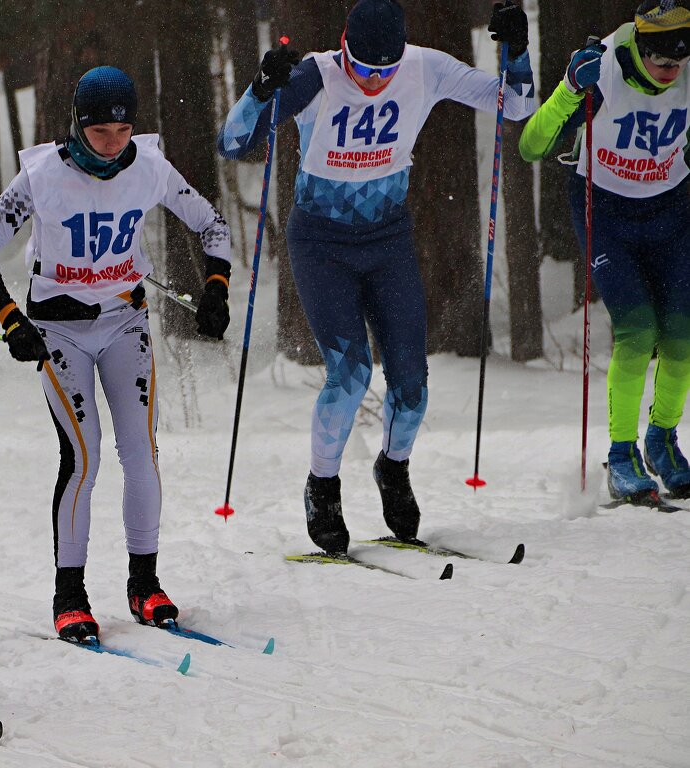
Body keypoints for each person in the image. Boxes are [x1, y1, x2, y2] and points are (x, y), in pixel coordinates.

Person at [217, 0, 537, 556]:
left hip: (387, 240)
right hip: (321, 243)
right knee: (351, 373)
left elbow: (515, 106)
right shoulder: (317, 73)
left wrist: (518, 53)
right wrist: (260, 89)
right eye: (362, 69)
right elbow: (233, 142)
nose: (372, 81)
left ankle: (393, 470)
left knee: (411, 385)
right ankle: (323, 487)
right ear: (345, 47)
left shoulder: (425, 67)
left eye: (383, 73)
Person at [0, 66, 232, 644]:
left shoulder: (150, 167)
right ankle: (70, 593)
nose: (113, 143)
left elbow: (212, 225)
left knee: (141, 450)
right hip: (58, 332)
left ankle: (144, 582)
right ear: (78, 126)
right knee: (84, 458)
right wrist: (11, 321)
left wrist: (217, 288)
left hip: (125, 324)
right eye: (101, 131)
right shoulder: (42, 176)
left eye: (124, 129)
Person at [519, 1, 690, 503]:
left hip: (672, 211)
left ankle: (662, 440)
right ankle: (621, 456)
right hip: (607, 212)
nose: (671, 74)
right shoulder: (603, 71)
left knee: (681, 337)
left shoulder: (684, 71)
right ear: (641, 50)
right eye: (663, 64)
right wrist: (570, 88)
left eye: (679, 65)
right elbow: (531, 145)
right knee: (638, 334)